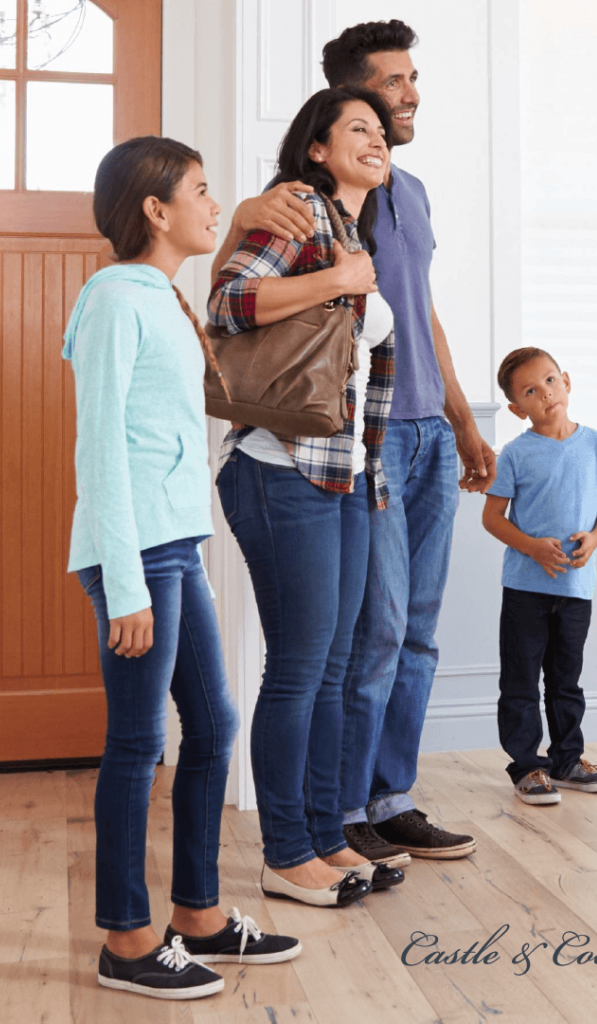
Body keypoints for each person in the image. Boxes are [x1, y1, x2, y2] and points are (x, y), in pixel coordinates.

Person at [211, 19, 495, 863]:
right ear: (342, 110)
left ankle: (383, 797)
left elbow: (418, 312)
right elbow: (234, 298)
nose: (409, 96)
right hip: (329, 446)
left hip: (405, 435)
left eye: (411, 83)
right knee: (356, 643)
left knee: (412, 632)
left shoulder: (401, 197)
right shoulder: (293, 206)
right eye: (390, 87)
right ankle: (331, 817)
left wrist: (463, 417)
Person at [66, 136, 300, 1001]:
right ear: (155, 210)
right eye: (201, 191)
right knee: (137, 745)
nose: (215, 204)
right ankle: (126, 939)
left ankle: (196, 914)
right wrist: (124, 583)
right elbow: (102, 451)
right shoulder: (113, 301)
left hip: (176, 545)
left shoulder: (161, 296)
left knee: (212, 726)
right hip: (135, 556)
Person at [208, 87, 404, 904]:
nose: (378, 138)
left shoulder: (353, 234)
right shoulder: (295, 212)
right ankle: (287, 853)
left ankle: (326, 837)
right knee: (298, 670)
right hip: (278, 468)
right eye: (357, 128)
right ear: (315, 149)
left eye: (382, 131)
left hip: (342, 474)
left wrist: (374, 470)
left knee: (331, 668)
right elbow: (228, 305)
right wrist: (337, 279)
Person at [482, 349, 597, 805]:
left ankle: (567, 760)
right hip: (526, 589)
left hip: (575, 588)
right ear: (516, 408)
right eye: (530, 390)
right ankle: (527, 766)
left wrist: (596, 539)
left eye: (549, 381)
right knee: (522, 679)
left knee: (567, 679)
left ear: (566, 381)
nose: (544, 393)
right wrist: (531, 547)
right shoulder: (515, 454)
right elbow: (492, 518)